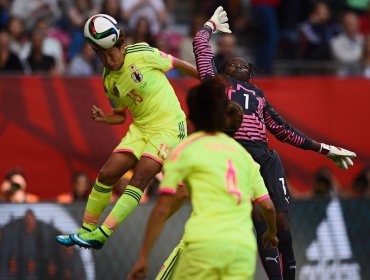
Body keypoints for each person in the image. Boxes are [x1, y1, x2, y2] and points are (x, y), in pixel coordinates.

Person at [192, 6, 357, 280]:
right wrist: (210, 25)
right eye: (232, 62)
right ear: (224, 69)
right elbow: (200, 45)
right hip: (234, 151)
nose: (239, 64)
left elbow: (284, 131)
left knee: (282, 223)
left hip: (265, 156)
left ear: (251, 74)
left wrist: (325, 149)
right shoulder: (215, 82)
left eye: (244, 64)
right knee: (259, 218)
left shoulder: (260, 95)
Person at [56, 14, 198, 249]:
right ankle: (87, 230)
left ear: (122, 46)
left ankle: (102, 234)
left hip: (168, 127)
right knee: (106, 174)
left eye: (110, 53)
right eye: (101, 56)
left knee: (140, 177)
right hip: (140, 128)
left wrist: (212, 79)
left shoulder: (142, 53)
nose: (108, 60)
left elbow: (178, 65)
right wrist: (105, 118)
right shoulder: (108, 80)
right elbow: (121, 115)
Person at [128, 76, 278, 280]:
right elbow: (268, 206)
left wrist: (143, 256)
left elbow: (166, 204)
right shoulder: (245, 158)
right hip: (242, 248)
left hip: (203, 244)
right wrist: (271, 233)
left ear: (192, 118)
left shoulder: (186, 149)